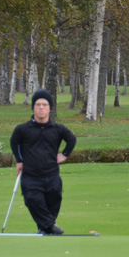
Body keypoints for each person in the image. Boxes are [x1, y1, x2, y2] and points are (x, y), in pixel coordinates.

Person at [10, 90, 77, 235]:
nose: (41, 107)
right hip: (31, 175)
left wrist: (64, 154)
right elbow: (14, 142)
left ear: (49, 108)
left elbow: (72, 139)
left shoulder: (58, 129)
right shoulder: (23, 129)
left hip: (52, 174)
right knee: (32, 199)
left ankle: (45, 228)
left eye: (44, 105)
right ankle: (50, 227)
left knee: (55, 199)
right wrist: (19, 160)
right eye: (38, 104)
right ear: (33, 107)